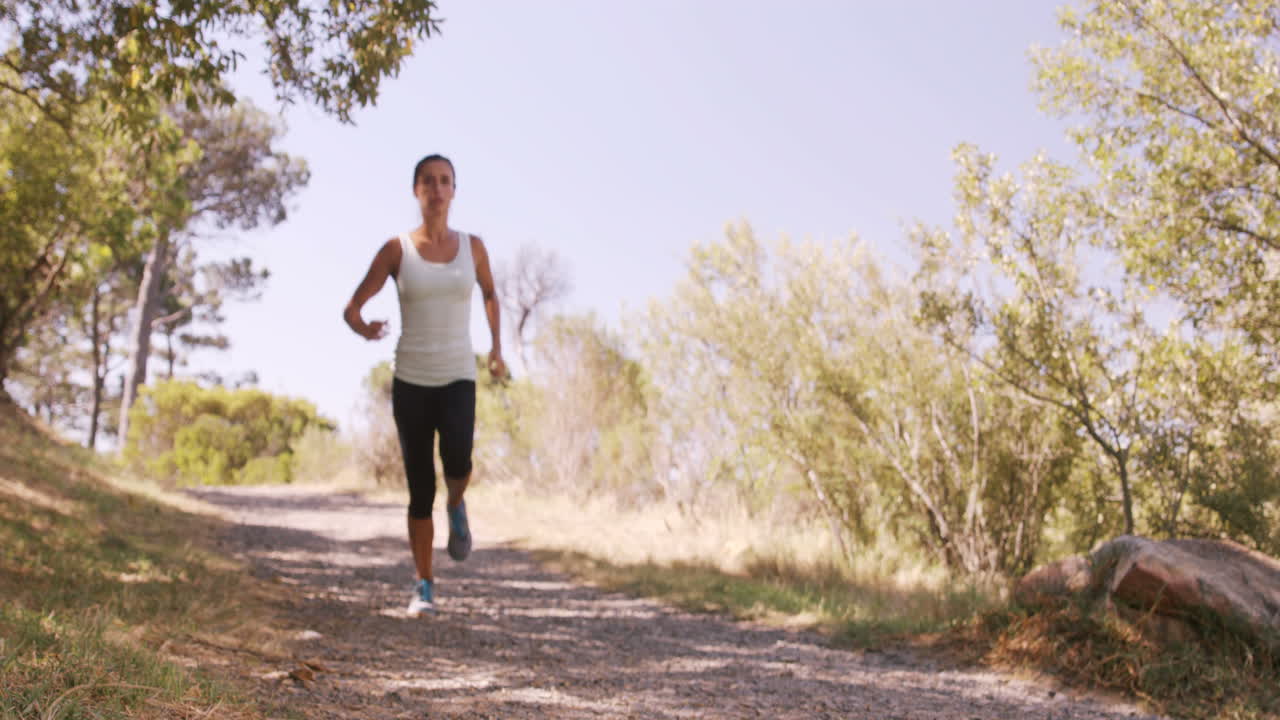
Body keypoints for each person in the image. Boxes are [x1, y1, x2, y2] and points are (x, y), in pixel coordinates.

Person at [343, 154, 505, 616]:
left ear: (454, 191)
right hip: (411, 378)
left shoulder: (473, 248)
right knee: (418, 487)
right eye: (428, 182)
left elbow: (491, 294)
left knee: (458, 462)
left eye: (445, 181)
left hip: (458, 374)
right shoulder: (396, 250)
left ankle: (457, 504)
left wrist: (496, 349)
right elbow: (351, 306)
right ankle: (424, 584)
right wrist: (363, 328)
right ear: (416, 191)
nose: (437, 189)